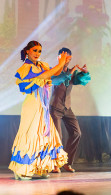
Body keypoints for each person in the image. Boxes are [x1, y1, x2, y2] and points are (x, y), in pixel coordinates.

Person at [8, 41, 69, 180]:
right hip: (32, 105)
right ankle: (21, 169)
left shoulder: (42, 65)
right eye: (35, 50)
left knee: (44, 135)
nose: (37, 53)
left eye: (39, 51)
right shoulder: (26, 67)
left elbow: (53, 74)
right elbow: (43, 76)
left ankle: (40, 167)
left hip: (43, 106)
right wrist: (60, 64)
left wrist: (61, 63)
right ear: (28, 51)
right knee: (31, 135)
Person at [50, 47, 91, 173]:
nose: (68, 61)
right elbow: (56, 80)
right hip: (55, 107)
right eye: (65, 58)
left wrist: (84, 73)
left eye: (69, 58)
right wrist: (70, 72)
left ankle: (66, 163)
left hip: (67, 107)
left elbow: (80, 80)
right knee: (58, 137)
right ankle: (55, 164)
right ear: (59, 57)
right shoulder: (54, 70)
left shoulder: (71, 72)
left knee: (76, 133)